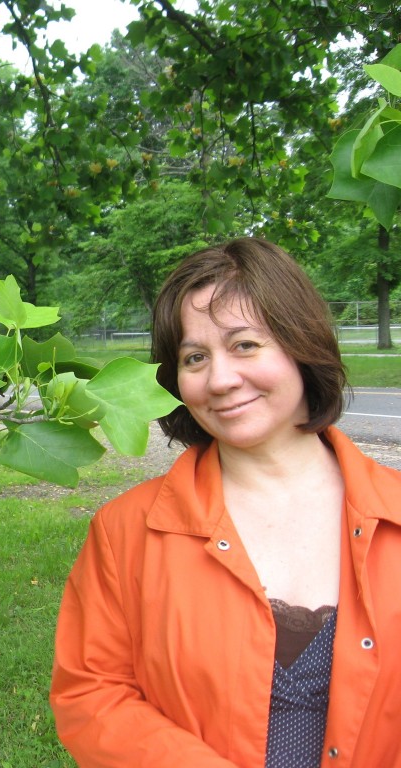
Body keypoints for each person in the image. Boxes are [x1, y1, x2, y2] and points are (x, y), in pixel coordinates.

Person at [50, 237, 401, 767]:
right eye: (195, 357)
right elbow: (92, 695)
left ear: (301, 344)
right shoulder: (126, 532)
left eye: (245, 345)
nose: (220, 380)